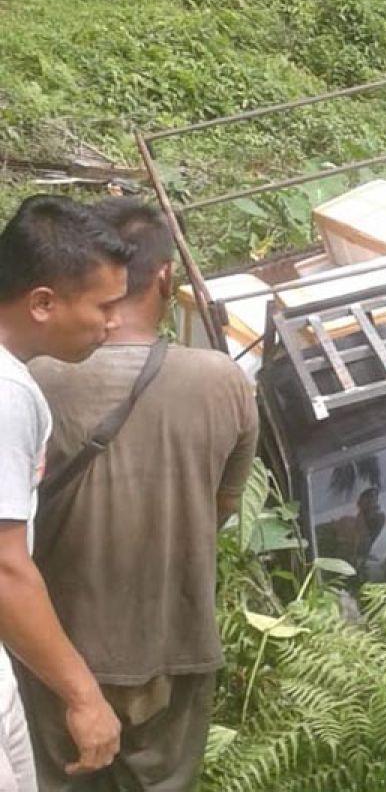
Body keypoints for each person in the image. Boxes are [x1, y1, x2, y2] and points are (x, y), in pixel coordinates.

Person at [20, 197, 259, 791]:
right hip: (174, 649)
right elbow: (223, 508)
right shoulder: (223, 382)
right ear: (164, 277)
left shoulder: (34, 377)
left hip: (54, 652)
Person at [0, 195, 128, 790]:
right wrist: (84, 696)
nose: (115, 323)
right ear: (43, 303)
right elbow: (4, 567)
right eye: (104, 306)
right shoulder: (6, 393)